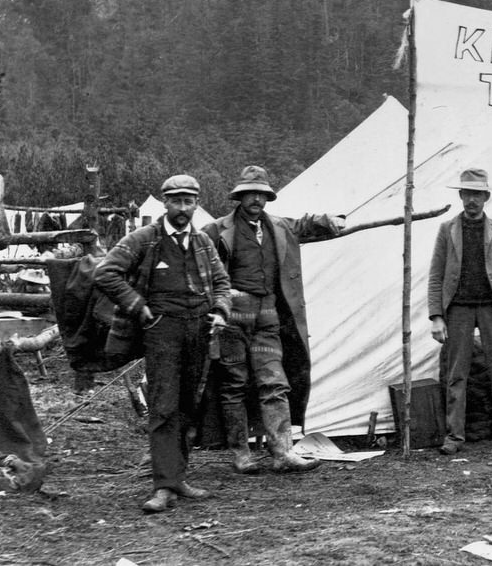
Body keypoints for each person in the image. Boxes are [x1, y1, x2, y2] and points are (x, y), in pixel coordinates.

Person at [94, 174, 231, 514]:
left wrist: (220, 310)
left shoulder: (202, 242)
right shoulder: (145, 239)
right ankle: (162, 486)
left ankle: (178, 478)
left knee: (189, 405)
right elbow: (105, 272)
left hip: (199, 330)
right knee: (164, 406)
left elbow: (222, 282)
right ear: (164, 203)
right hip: (162, 332)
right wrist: (138, 306)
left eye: (189, 201)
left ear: (197, 204)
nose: (183, 208)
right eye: (176, 201)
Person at [202, 165, 343, 474]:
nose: (256, 199)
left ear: (268, 197)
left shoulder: (278, 227)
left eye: (261, 194)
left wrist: (329, 220)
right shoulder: (216, 230)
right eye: (250, 194)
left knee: (274, 382)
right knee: (234, 384)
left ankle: (283, 452)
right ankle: (241, 453)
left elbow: (306, 224)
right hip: (232, 317)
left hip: (268, 316)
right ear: (239, 197)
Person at [428, 168, 492, 455]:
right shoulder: (447, 230)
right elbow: (436, 275)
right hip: (458, 308)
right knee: (457, 372)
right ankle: (455, 436)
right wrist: (436, 316)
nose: (472, 200)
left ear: (486, 197)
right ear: (460, 196)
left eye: (477, 195)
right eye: (467, 194)